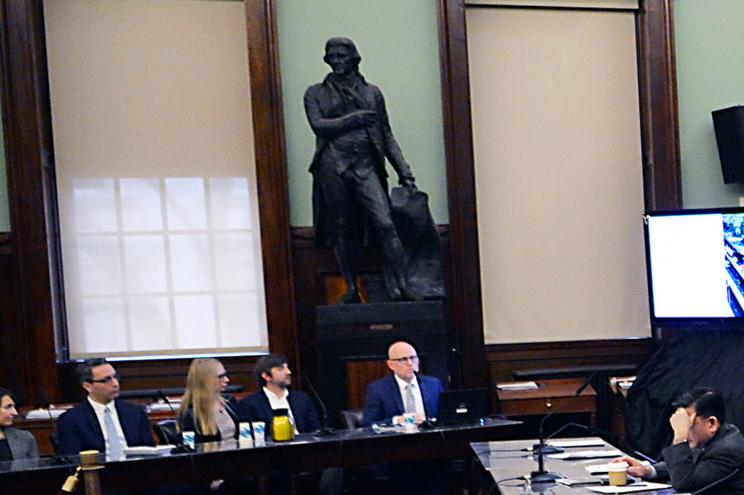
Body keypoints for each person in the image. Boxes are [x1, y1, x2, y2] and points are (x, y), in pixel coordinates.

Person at [304, 37, 419, 304]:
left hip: (366, 166)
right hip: (333, 165)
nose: (336, 61)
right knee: (340, 228)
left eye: (342, 56)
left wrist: (405, 172)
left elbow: (387, 135)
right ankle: (351, 287)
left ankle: (404, 285)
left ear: (354, 58)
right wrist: (352, 119)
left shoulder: (372, 94)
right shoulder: (315, 93)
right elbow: (318, 125)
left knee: (385, 223)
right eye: (331, 56)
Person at [238, 355, 342, 495]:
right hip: (274, 458)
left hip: (306, 453)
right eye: (281, 369)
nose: (288, 372)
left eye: (288, 367)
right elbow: (251, 438)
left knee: (334, 466)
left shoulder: (302, 398)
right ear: (266, 376)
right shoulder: (251, 404)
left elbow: (315, 429)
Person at [613, 387, 744, 493]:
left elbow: (684, 482)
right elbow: (691, 463)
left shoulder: (728, 450)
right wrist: (648, 470)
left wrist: (680, 438)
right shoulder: (713, 438)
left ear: (711, 423)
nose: (684, 430)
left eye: (688, 424)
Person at [57, 358, 154, 458]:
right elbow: (72, 459)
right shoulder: (71, 420)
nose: (115, 384)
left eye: (115, 377)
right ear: (87, 386)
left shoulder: (135, 412)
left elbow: (150, 452)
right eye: (106, 380)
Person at [362, 341, 443, 426]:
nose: (410, 363)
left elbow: (444, 417)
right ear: (391, 364)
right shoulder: (378, 389)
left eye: (413, 358)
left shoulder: (433, 384)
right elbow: (368, 424)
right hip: (398, 437)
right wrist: (398, 420)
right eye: (403, 359)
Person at [177, 358, 239, 444]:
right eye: (221, 377)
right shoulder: (189, 414)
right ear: (206, 380)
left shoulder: (229, 401)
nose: (227, 380)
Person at [0, 387, 39, 460]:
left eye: (14, 407)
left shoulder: (25, 438)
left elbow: (35, 469)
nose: (14, 413)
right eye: (8, 407)